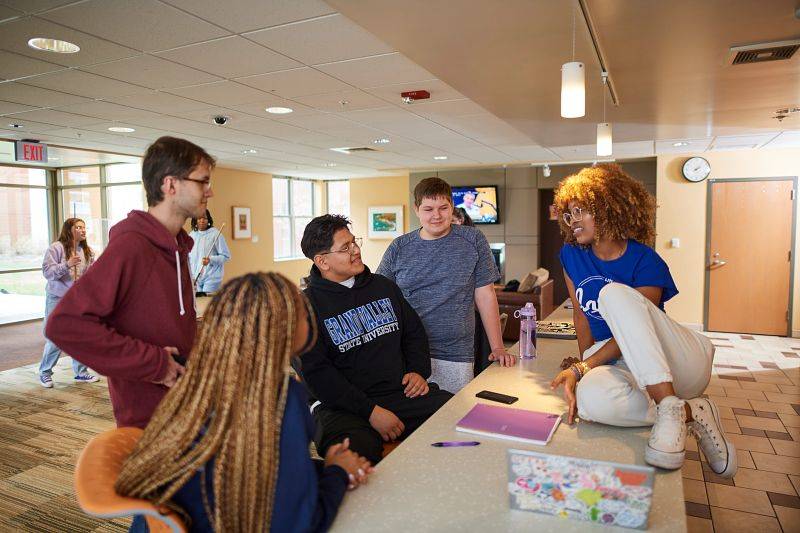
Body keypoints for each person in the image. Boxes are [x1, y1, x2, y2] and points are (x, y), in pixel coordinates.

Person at [117, 273, 372, 533]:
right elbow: (297, 525)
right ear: (286, 327)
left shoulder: (196, 383)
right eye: (305, 314)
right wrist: (337, 474)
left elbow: (244, 470)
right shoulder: (281, 398)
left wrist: (324, 468)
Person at [549, 164, 736, 477]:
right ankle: (691, 410)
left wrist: (585, 365)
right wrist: (585, 364)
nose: (573, 221)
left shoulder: (646, 259)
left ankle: (670, 402)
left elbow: (632, 333)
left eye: (581, 210)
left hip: (674, 362)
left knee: (612, 296)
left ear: (607, 208)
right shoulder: (572, 256)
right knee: (592, 403)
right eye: (569, 214)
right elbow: (580, 315)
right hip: (622, 366)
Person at [46, 136, 214, 429]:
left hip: (185, 411)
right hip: (150, 422)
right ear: (170, 185)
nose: (210, 192)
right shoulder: (132, 246)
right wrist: (155, 364)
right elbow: (65, 325)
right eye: (203, 181)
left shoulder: (177, 245)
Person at [297, 215, 453, 465]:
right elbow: (318, 375)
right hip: (342, 408)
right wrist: (371, 412)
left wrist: (417, 371)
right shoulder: (304, 307)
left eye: (354, 242)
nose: (356, 250)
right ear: (322, 261)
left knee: (456, 415)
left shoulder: (383, 286)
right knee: (355, 458)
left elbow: (413, 333)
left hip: (398, 393)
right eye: (345, 247)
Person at [377, 178, 514, 394]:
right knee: (415, 422)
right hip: (408, 352)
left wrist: (497, 346)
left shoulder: (473, 240)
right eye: (428, 209)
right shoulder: (399, 247)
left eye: (443, 208)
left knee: (452, 417)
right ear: (416, 209)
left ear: (452, 207)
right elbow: (381, 296)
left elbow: (485, 295)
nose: (436, 215)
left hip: (456, 354)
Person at [38, 218, 98, 387]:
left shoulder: (87, 251)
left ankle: (81, 372)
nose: (83, 230)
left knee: (81, 335)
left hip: (77, 299)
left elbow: (89, 275)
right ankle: (45, 373)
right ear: (69, 230)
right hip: (57, 298)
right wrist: (67, 264)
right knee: (55, 336)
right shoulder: (56, 248)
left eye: (84, 227)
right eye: (78, 227)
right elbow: (48, 272)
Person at [188, 209, 230, 295]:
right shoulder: (191, 235)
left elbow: (226, 256)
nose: (202, 220)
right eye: (199, 218)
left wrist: (211, 259)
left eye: (205, 218)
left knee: (208, 304)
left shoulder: (216, 234)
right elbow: (189, 257)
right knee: (198, 304)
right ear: (195, 220)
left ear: (208, 220)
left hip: (212, 277)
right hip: (196, 278)